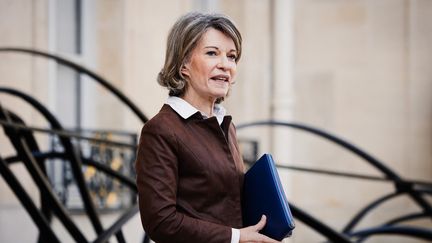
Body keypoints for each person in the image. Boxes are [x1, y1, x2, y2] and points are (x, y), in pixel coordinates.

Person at [135, 12, 280, 243]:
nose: (225, 65)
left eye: (232, 57)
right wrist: (236, 237)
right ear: (183, 65)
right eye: (212, 53)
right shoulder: (161, 129)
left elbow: (227, 204)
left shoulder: (225, 125)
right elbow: (160, 222)